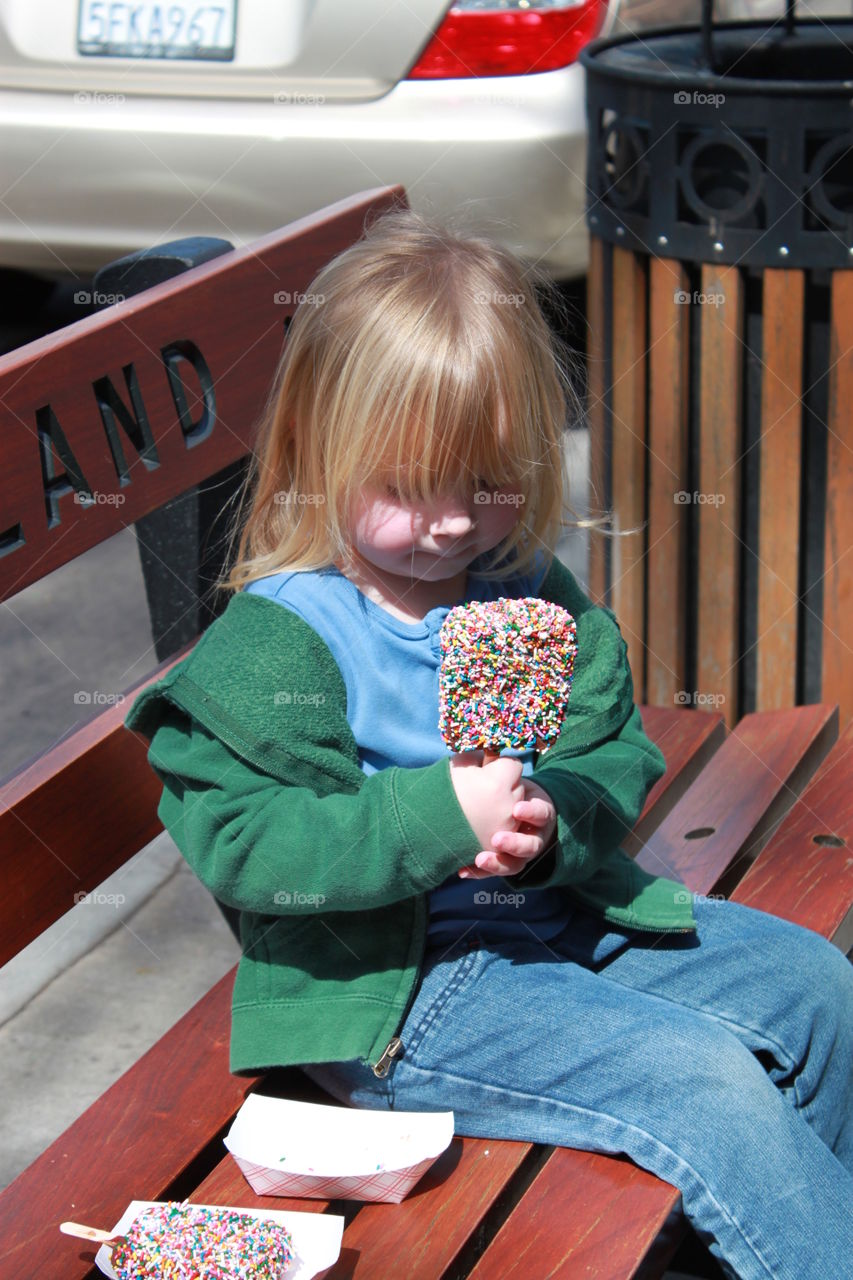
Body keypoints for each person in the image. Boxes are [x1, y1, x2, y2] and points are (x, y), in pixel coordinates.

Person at [124, 208, 853, 1280]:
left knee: (815, 984)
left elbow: (605, 745)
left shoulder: (519, 593)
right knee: (700, 1078)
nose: (452, 523)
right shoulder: (281, 642)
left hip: (564, 918)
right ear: (317, 451)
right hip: (399, 991)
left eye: (481, 481)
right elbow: (251, 846)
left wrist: (554, 819)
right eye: (407, 485)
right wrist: (439, 817)